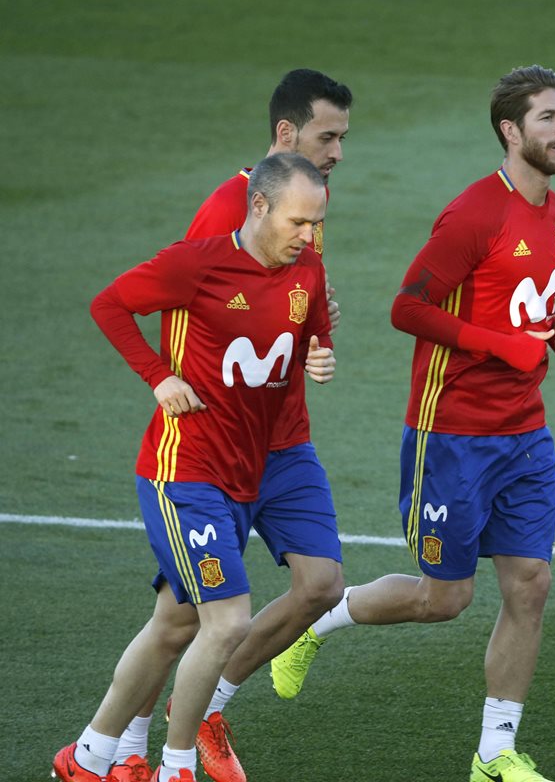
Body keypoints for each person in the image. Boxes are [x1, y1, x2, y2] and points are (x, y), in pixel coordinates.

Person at [270, 65, 555, 782]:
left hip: (525, 434)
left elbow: (522, 312)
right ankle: (316, 624)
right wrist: (502, 345)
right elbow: (408, 308)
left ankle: (495, 753)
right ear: (511, 131)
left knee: (530, 584)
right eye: (547, 118)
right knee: (446, 598)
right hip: (453, 436)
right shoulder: (474, 214)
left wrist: (554, 336)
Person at [52, 153, 335, 782]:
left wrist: (320, 356)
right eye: (297, 222)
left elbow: (312, 334)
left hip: (263, 463)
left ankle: (89, 756)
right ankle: (176, 766)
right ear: (258, 205)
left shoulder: (307, 268)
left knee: (178, 622)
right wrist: (159, 377)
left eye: (315, 224)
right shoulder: (196, 264)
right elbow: (109, 304)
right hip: (187, 471)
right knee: (225, 621)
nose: (308, 236)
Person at [105, 68, 352, 782]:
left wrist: (314, 333)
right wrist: (164, 380)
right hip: (216, 446)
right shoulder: (227, 210)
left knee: (316, 586)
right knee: (187, 615)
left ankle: (200, 709)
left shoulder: (304, 204)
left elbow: (291, 307)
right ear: (286, 133)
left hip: (283, 436)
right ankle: (128, 749)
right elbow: (183, 309)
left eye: (342, 138)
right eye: (326, 137)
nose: (337, 152)